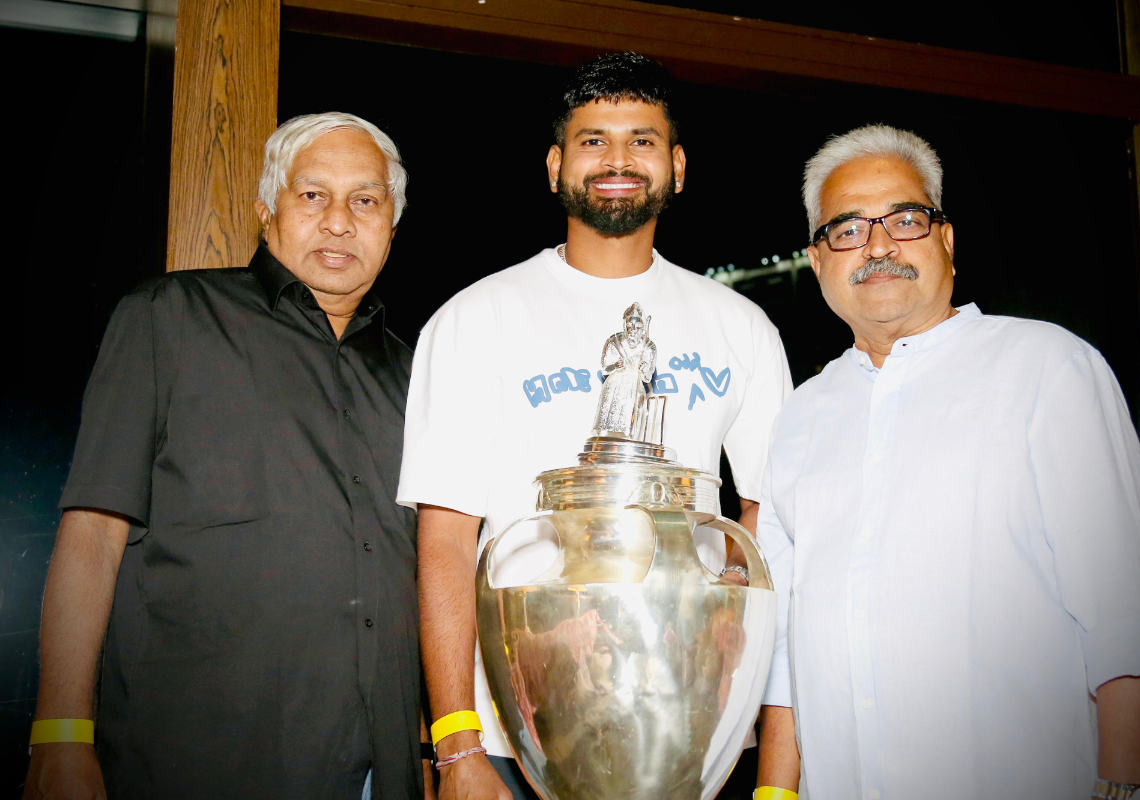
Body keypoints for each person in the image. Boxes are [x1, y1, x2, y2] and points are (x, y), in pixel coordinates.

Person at [398, 52, 792, 800]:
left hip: (691, 722)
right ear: (554, 166)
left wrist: (729, 613)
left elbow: (770, 510)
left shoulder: (740, 325)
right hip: (512, 727)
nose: (618, 159)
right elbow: (446, 538)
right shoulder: (475, 318)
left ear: (677, 166)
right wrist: (456, 745)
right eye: (593, 140)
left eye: (642, 140)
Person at [753, 124, 1140, 800]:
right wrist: (774, 793)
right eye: (848, 229)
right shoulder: (800, 417)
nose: (879, 246)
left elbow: (1126, 618)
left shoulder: (1048, 368)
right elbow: (787, 649)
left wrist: (1125, 787)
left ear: (946, 238)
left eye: (905, 218)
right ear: (817, 260)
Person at [23, 112, 427, 800]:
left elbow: (429, 571)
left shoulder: (419, 373)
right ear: (266, 208)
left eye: (365, 199)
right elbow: (93, 534)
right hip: (190, 760)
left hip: (373, 770)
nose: (339, 220)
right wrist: (60, 735)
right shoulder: (169, 317)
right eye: (312, 194)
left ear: (392, 223)